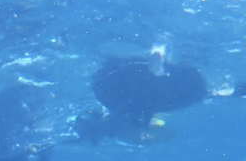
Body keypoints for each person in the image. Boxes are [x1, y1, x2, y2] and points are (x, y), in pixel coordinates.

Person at [73, 48, 208, 144]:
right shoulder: (106, 95)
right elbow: (168, 133)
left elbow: (167, 133)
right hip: (136, 85)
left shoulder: (107, 95)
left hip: (135, 86)